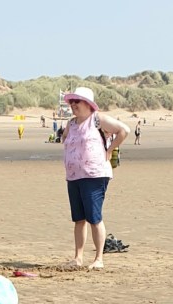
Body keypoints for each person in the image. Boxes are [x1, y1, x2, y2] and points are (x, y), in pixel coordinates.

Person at [61, 87, 130, 271]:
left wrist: (109, 150)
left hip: (94, 175)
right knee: (79, 219)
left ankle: (99, 258)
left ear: (87, 104)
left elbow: (124, 130)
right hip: (74, 176)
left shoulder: (98, 119)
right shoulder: (71, 123)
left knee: (94, 217)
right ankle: (78, 258)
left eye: (77, 101)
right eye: (71, 102)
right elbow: (65, 138)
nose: (73, 105)